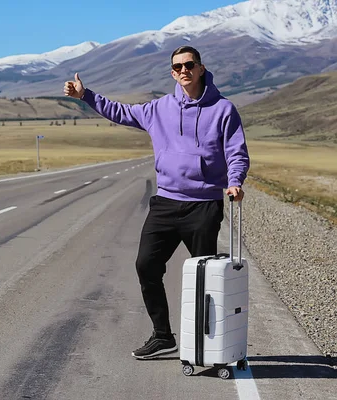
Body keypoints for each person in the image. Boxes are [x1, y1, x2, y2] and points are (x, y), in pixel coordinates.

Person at [64, 46, 250, 359]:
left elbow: (236, 152)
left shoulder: (223, 110)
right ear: (172, 72)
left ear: (201, 68)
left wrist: (234, 182)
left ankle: (208, 345)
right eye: (177, 67)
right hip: (165, 204)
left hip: (203, 205)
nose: (183, 71)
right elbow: (120, 112)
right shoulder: (159, 108)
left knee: (204, 277)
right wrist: (86, 95)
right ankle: (163, 336)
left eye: (189, 65)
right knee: (146, 265)